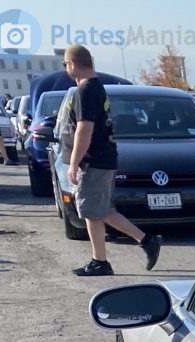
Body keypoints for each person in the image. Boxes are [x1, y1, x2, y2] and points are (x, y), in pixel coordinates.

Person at [61, 47, 161, 277]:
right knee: (101, 210)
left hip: (93, 161)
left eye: (66, 64)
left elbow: (84, 129)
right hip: (101, 159)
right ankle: (146, 240)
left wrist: (74, 162)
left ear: (73, 63)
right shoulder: (95, 88)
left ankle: (101, 261)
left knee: (91, 211)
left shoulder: (85, 91)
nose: (66, 68)